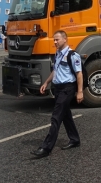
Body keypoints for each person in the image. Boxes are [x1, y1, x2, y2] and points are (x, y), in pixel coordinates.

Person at [31, 30, 83, 159]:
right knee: (66, 116)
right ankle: (75, 139)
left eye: (57, 39)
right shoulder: (58, 54)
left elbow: (79, 74)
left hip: (67, 88)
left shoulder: (73, 55)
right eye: (54, 40)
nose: (55, 42)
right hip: (58, 88)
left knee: (56, 117)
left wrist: (80, 91)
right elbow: (55, 71)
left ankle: (46, 148)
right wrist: (46, 83)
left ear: (65, 39)